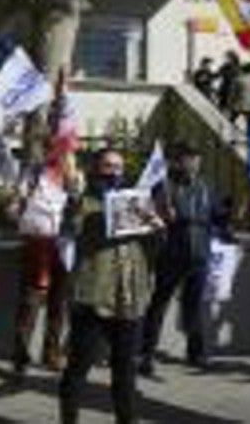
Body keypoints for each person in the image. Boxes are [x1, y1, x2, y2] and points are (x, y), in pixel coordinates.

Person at [59, 148, 163, 424]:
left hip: (130, 297)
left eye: (118, 166)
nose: (114, 172)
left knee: (125, 370)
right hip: (93, 297)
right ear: (96, 168)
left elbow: (153, 249)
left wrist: (157, 228)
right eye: (108, 166)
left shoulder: (136, 202)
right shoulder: (84, 201)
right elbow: (71, 227)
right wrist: (73, 200)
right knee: (78, 367)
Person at [138, 142, 216, 376]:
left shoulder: (205, 186)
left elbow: (215, 215)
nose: (194, 164)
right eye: (189, 160)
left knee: (194, 307)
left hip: (199, 256)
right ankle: (146, 354)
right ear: (177, 162)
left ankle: (196, 353)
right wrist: (163, 214)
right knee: (159, 306)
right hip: (171, 255)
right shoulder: (164, 186)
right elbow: (147, 214)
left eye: (197, 160)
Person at [10, 159, 82, 376]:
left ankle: (51, 353)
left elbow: (80, 209)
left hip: (65, 248)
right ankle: (20, 358)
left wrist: (74, 189)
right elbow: (14, 210)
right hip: (37, 246)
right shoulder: (32, 175)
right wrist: (16, 208)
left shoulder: (74, 176)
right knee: (30, 304)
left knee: (58, 304)